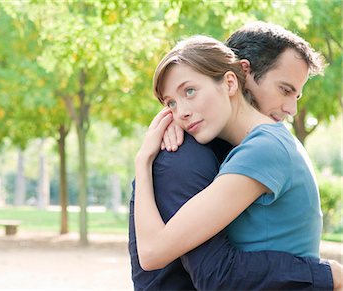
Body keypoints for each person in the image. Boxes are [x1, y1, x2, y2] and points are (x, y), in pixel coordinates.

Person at [129, 26, 342, 290]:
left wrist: (143, 161)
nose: (180, 112)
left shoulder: (263, 149)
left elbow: (151, 253)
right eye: (171, 103)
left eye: (190, 91)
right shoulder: (260, 144)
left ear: (231, 82)